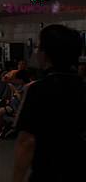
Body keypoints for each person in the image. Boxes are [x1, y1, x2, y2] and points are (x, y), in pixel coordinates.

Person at [13, 24, 86, 182]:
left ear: (46, 54)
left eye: (39, 47)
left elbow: (27, 141)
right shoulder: (82, 86)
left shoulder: (37, 89)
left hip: (48, 173)